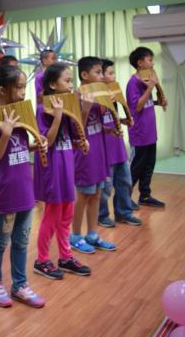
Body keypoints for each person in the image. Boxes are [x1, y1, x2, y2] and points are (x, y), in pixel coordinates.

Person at [0, 65, 47, 309]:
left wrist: (36, 144)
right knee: (0, 242)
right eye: (18, 88)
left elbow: (18, 149)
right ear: (2, 90)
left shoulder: (20, 115)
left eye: (23, 87)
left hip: (25, 191)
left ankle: (20, 285)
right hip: (5, 193)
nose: (22, 93)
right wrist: (6, 134)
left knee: (21, 241)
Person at [33, 63, 91, 280]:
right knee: (52, 215)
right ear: (52, 84)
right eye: (67, 80)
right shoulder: (43, 109)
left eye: (71, 80)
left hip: (67, 166)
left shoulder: (68, 104)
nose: (71, 84)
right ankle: (42, 260)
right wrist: (57, 116)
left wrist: (81, 141)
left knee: (67, 214)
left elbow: (75, 136)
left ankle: (65, 256)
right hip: (51, 168)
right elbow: (46, 142)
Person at [70, 57, 117, 254]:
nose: (102, 76)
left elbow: (97, 124)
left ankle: (92, 234)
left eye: (102, 72)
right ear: (84, 75)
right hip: (84, 154)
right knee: (82, 195)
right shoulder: (75, 97)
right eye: (97, 72)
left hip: (99, 151)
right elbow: (76, 131)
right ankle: (75, 236)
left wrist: (109, 129)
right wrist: (85, 110)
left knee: (97, 194)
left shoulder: (98, 94)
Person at [98, 59, 143, 227]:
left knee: (125, 182)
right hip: (104, 150)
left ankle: (124, 213)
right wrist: (104, 103)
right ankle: (102, 215)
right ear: (100, 76)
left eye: (113, 73)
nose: (114, 76)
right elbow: (91, 124)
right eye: (110, 73)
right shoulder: (91, 98)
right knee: (105, 188)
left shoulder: (113, 93)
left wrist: (123, 120)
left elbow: (112, 119)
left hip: (118, 148)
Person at [126, 46, 167, 208]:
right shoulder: (133, 83)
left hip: (150, 132)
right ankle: (125, 198)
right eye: (150, 60)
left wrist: (158, 102)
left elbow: (146, 102)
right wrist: (150, 87)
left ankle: (145, 196)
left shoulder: (146, 79)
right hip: (139, 133)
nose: (153, 64)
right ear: (140, 63)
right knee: (137, 167)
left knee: (149, 165)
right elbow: (137, 107)